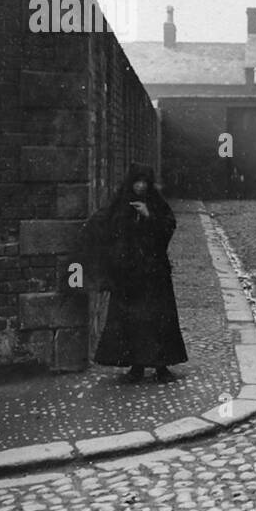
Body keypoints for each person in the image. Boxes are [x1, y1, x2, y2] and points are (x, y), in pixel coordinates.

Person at [92, 163, 188, 383]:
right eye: (137, 181)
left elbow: (168, 226)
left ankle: (161, 365)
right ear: (131, 182)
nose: (141, 186)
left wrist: (148, 216)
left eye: (145, 182)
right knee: (131, 319)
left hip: (154, 273)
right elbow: (109, 227)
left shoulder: (156, 202)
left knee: (158, 318)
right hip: (129, 274)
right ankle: (136, 365)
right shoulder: (121, 203)